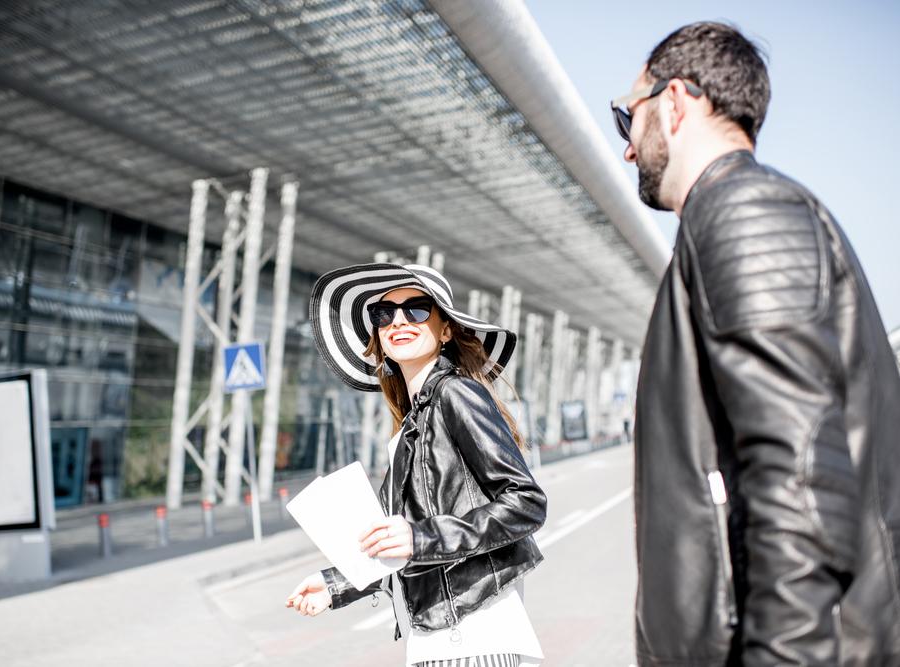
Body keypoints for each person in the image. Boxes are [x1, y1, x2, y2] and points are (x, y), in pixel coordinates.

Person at [611, 21, 900, 665]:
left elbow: (800, 475)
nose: (627, 148)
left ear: (675, 101)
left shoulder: (744, 212)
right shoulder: (736, 213)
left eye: (626, 115)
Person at [285, 263, 547, 667]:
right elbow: (396, 542)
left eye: (418, 310)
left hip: (475, 637)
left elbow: (526, 502)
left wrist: (421, 538)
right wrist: (334, 585)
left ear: (446, 330)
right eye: (384, 314)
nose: (398, 321)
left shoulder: (455, 393)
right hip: (436, 639)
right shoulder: (412, 424)